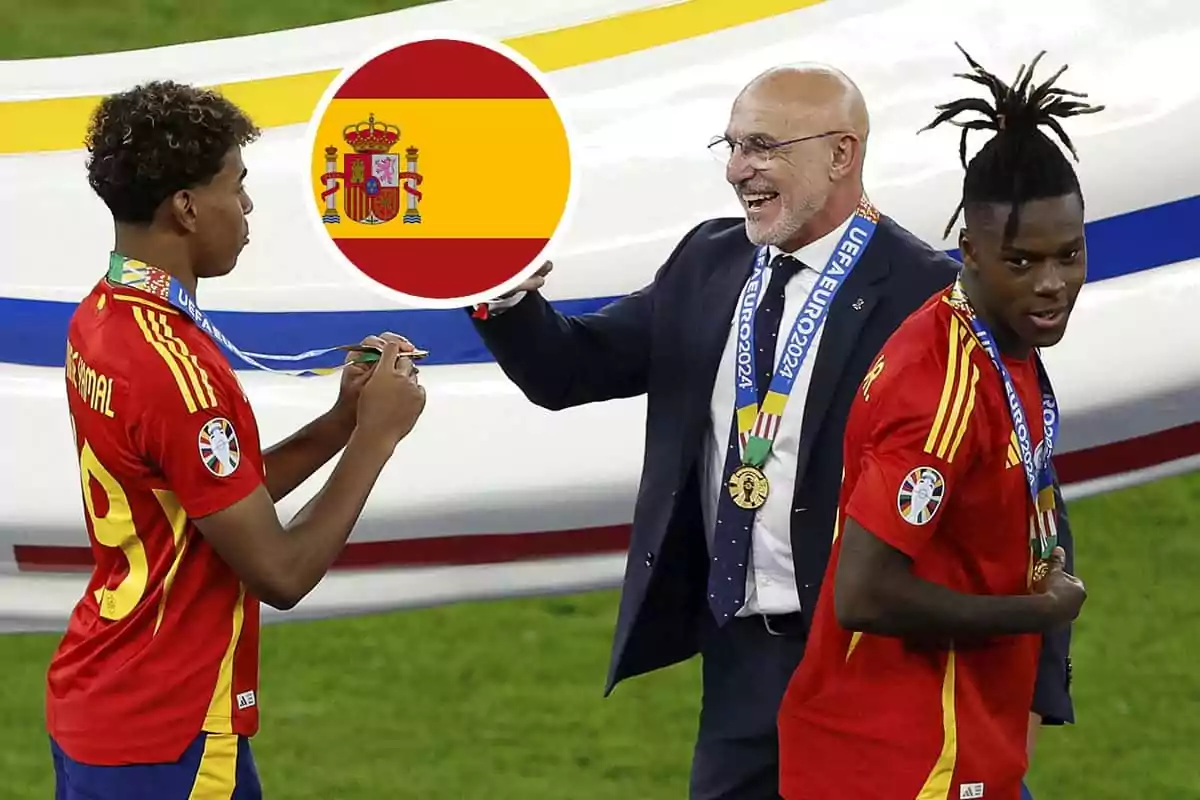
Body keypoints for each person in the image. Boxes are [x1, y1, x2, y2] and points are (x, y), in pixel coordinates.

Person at [468, 61, 1075, 799]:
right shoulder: (709, 261)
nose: (735, 170)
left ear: (841, 154)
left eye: (761, 146)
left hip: (876, 661)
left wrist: (1037, 693)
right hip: (739, 660)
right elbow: (571, 371)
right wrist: (499, 296)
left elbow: (1026, 491)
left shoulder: (927, 296)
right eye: (728, 146)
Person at [46, 81, 427, 799]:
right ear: (187, 208)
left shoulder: (102, 318)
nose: (247, 207)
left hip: (106, 703)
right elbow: (280, 572)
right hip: (170, 728)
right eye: (236, 185)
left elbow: (208, 492)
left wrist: (339, 423)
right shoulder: (177, 372)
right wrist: (377, 440)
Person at [776, 44, 1100, 800]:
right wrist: (1034, 612)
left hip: (958, 742)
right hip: (906, 761)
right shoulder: (940, 390)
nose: (1053, 285)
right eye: (1022, 262)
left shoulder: (1003, 343)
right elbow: (863, 592)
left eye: (1070, 255)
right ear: (971, 252)